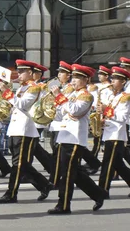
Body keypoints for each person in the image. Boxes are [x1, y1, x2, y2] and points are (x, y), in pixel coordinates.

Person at [48, 64, 107, 214]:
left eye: (77, 78)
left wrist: (60, 98)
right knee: (73, 172)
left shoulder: (87, 95)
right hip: (64, 135)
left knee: (68, 174)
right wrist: (53, 106)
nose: (73, 81)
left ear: (86, 79)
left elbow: (75, 111)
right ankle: (98, 193)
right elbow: (61, 114)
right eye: (73, 77)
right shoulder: (70, 94)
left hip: (75, 139)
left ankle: (64, 205)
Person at [0, 60, 53, 204]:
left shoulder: (34, 88)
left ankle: (11, 193)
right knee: (23, 164)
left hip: (25, 129)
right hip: (15, 128)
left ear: (31, 73)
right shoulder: (22, 88)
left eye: (22, 72)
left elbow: (22, 105)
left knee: (18, 164)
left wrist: (7, 93)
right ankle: (44, 184)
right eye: (18, 72)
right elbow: (14, 105)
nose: (19, 74)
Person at [97, 67, 130, 196]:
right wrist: (102, 120)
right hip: (109, 133)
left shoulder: (125, 97)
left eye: (116, 79)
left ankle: (102, 190)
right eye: (112, 78)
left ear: (123, 82)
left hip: (117, 135)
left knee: (108, 164)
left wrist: (106, 110)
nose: (112, 81)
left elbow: (122, 117)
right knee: (118, 165)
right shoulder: (111, 96)